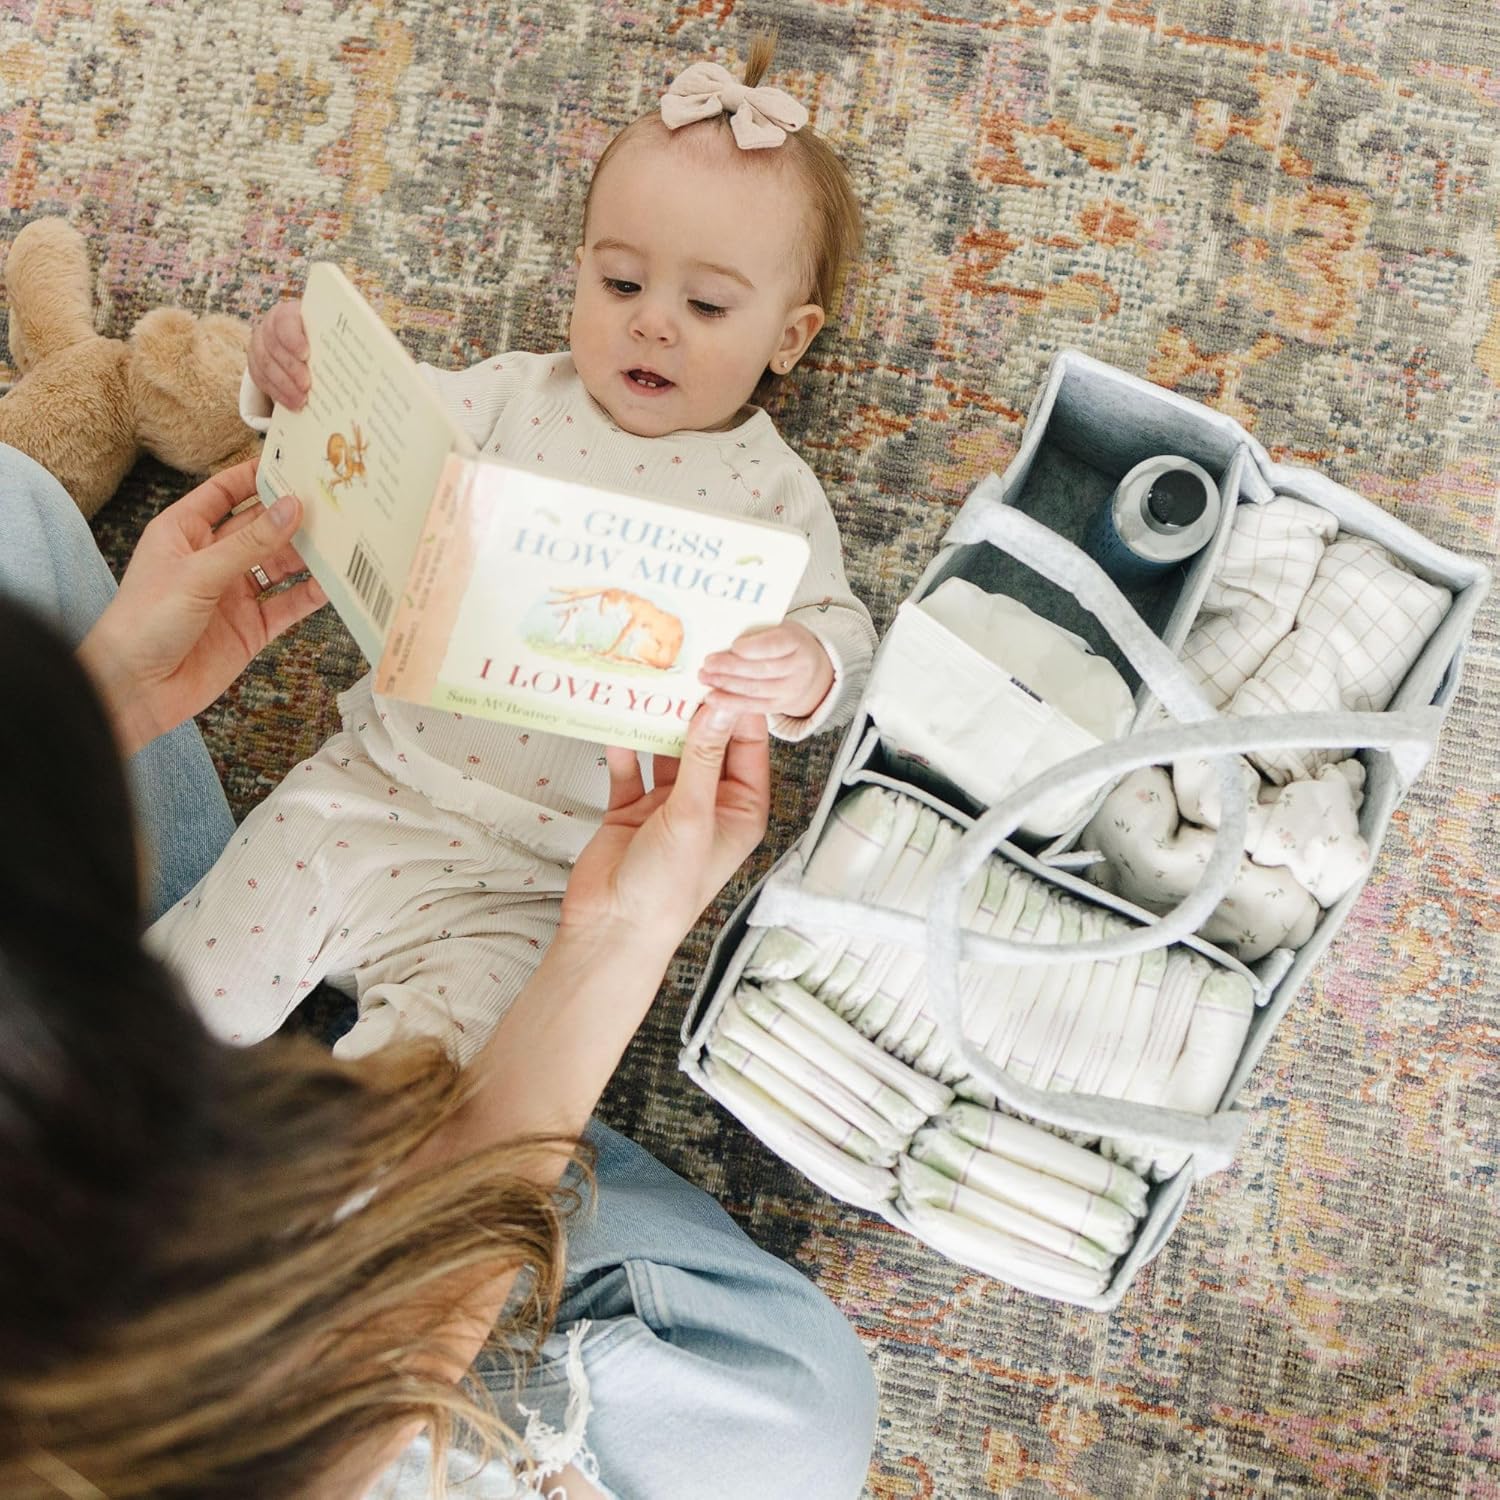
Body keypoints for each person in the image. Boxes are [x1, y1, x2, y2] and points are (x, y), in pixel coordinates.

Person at [0, 442, 877, 1498]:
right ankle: (358, 1118)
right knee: (786, 1416)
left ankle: (254, 1041)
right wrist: (619, 940)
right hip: (264, 1343)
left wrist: (117, 690)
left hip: (117, 1088)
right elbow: (353, 1385)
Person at [146, 37, 880, 1064]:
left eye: (707, 306)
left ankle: (316, 1182)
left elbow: (840, 628)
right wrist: (290, 376)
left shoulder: (773, 493)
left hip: (544, 875)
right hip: (370, 789)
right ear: (578, 273)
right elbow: (379, 431)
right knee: (173, 998)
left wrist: (808, 668)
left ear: (789, 338)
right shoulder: (514, 395)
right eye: (621, 282)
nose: (653, 325)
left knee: (431, 1096)